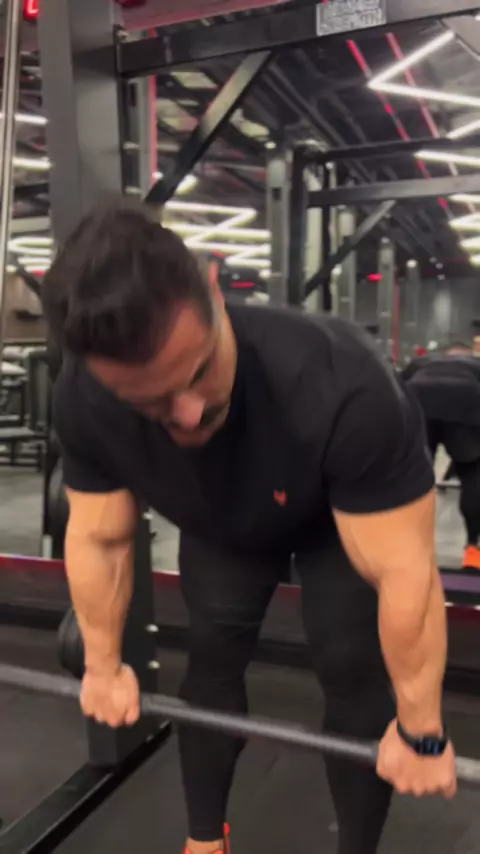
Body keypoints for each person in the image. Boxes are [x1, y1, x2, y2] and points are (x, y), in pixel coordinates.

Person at [42, 203, 456, 854]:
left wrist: (421, 732)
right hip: (223, 518)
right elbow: (100, 536)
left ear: (214, 289)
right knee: (211, 658)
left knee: (350, 667)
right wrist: (102, 666)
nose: (188, 414)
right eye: (152, 403)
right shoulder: (84, 399)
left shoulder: (342, 383)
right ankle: (206, 840)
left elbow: (407, 573)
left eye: (198, 371)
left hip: (333, 519)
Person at [403, 342, 480, 572]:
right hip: (466, 402)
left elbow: (396, 387)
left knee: (416, 476)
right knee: (472, 474)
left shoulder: (422, 362)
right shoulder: (476, 364)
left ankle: (411, 547)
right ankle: (473, 550)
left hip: (418, 399)